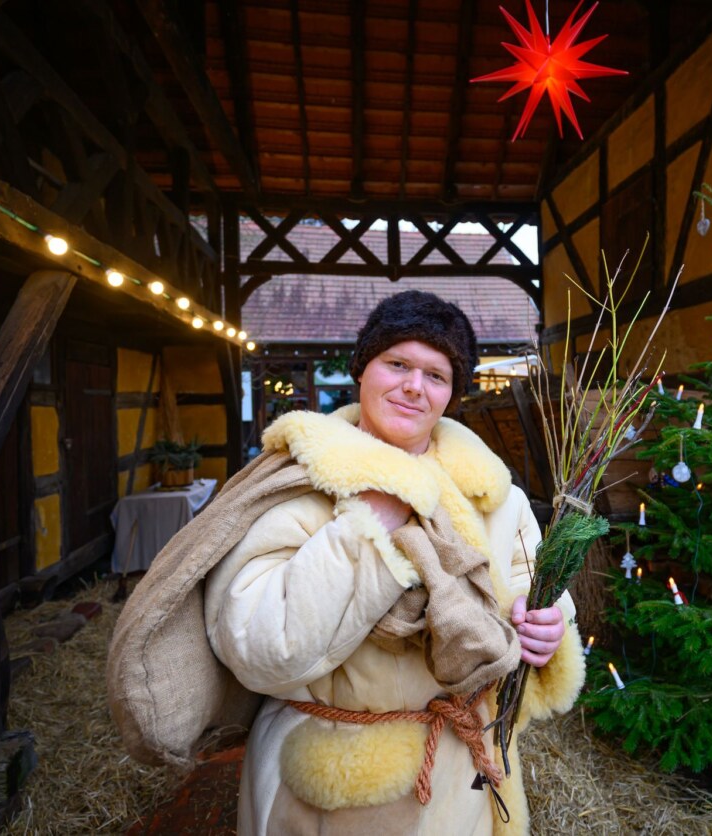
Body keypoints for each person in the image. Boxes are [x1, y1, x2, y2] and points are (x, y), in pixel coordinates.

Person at [202, 290, 585, 835]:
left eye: (436, 374)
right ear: (363, 369)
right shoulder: (295, 485)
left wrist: (549, 631)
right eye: (398, 364)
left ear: (452, 393)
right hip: (328, 787)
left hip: (462, 782)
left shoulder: (496, 495)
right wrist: (365, 531)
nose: (414, 386)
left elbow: (537, 592)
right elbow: (256, 646)